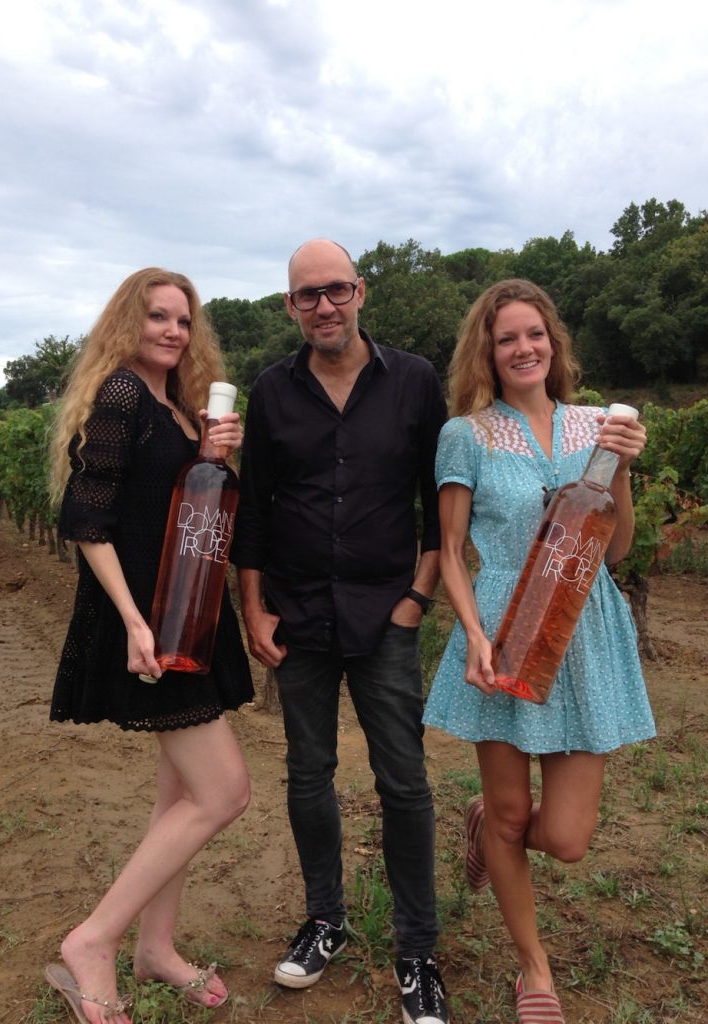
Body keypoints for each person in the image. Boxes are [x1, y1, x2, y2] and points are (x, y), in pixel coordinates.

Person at [423, 279, 656, 1023]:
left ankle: (480, 818)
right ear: (486, 354)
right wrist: (472, 633)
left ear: (553, 344)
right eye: (506, 339)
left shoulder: (598, 424)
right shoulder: (468, 434)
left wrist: (620, 467)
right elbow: (452, 551)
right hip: (504, 633)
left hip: (584, 633)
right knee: (511, 815)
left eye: (535, 335)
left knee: (566, 837)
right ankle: (535, 971)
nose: (523, 348)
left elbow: (615, 548)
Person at [231, 239, 449, 1024]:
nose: (323, 306)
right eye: (306, 296)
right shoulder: (271, 390)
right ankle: (326, 919)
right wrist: (253, 606)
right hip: (298, 616)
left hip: (387, 613)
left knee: (405, 784)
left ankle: (417, 951)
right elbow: (252, 507)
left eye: (336, 290)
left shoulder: (416, 381)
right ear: (290, 308)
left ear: (360, 292)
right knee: (308, 775)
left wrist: (416, 601)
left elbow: (439, 500)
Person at [45, 268, 254, 1024]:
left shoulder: (168, 404)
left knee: (182, 794)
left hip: (185, 616)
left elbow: (186, 507)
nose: (172, 330)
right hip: (151, 625)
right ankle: (93, 941)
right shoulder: (125, 395)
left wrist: (213, 454)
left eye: (183, 320)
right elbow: (87, 521)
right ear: (127, 323)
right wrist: (135, 624)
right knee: (225, 791)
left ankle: (156, 949)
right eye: (157, 316)